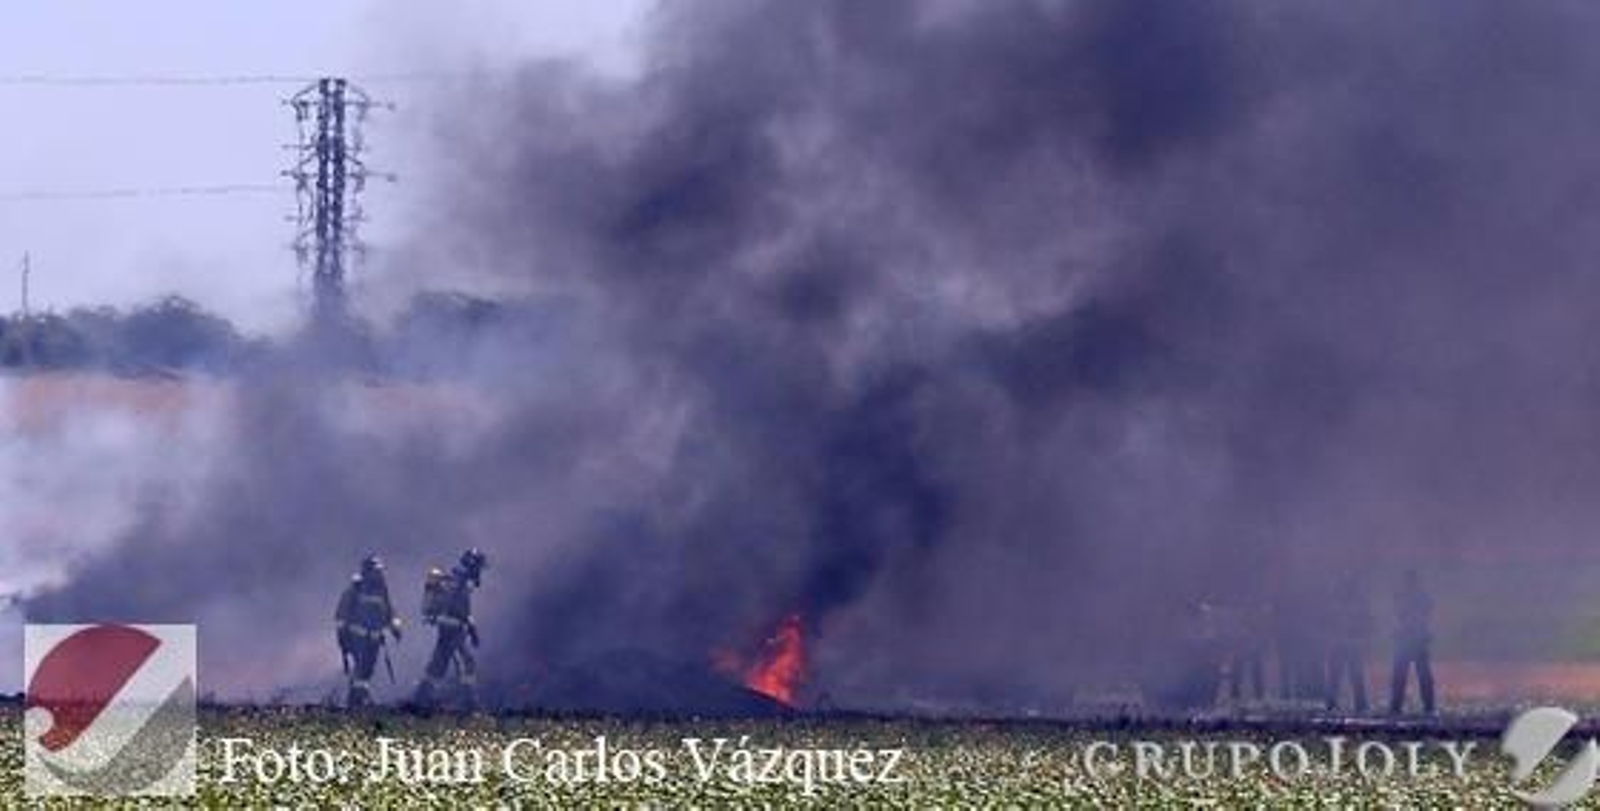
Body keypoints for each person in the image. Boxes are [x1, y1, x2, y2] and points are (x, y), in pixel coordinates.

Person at [414, 548, 487, 710]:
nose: (479, 573)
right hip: (452, 631)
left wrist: (471, 628)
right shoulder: (457, 582)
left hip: (455, 630)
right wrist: (454, 625)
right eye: (479, 568)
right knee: (465, 663)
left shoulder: (462, 582)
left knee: (439, 665)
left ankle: (421, 697)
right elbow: (451, 609)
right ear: (472, 566)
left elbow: (464, 611)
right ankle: (469, 701)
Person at [334, 554, 402, 708]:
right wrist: (342, 635)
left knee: (368, 669)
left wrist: (395, 627)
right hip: (358, 637)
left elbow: (389, 610)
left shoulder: (381, 589)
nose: (379, 574)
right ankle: (358, 699)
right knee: (361, 666)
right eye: (375, 570)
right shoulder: (356, 589)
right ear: (367, 571)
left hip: (375, 638)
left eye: (379, 570)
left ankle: (356, 698)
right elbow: (342, 613)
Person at [1388, 569, 1436, 715]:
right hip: (1412, 640)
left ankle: (1398, 706)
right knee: (1417, 675)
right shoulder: (1420, 597)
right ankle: (1427, 706)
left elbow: (1403, 616)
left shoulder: (1406, 596)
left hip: (1411, 640)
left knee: (1409, 675)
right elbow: (1425, 614)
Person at [1325, 576, 1371, 713]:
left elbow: (1367, 623)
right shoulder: (1354, 604)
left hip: (1348, 645)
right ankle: (1357, 704)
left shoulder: (1351, 604)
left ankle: (1357, 703)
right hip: (1343, 644)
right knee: (1344, 676)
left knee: (1350, 676)